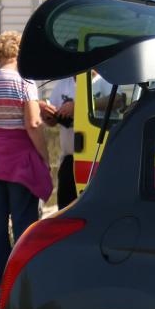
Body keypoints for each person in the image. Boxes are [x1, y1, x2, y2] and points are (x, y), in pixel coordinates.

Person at [0, 31, 53, 291]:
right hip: (19, 161)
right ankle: (23, 278)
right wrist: (44, 157)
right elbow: (33, 124)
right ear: (19, 53)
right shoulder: (25, 83)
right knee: (23, 219)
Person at [43, 71, 113, 208]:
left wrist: (79, 106)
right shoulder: (63, 84)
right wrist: (48, 115)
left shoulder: (104, 80)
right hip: (69, 159)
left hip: (99, 158)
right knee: (66, 209)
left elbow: (118, 100)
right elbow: (52, 121)